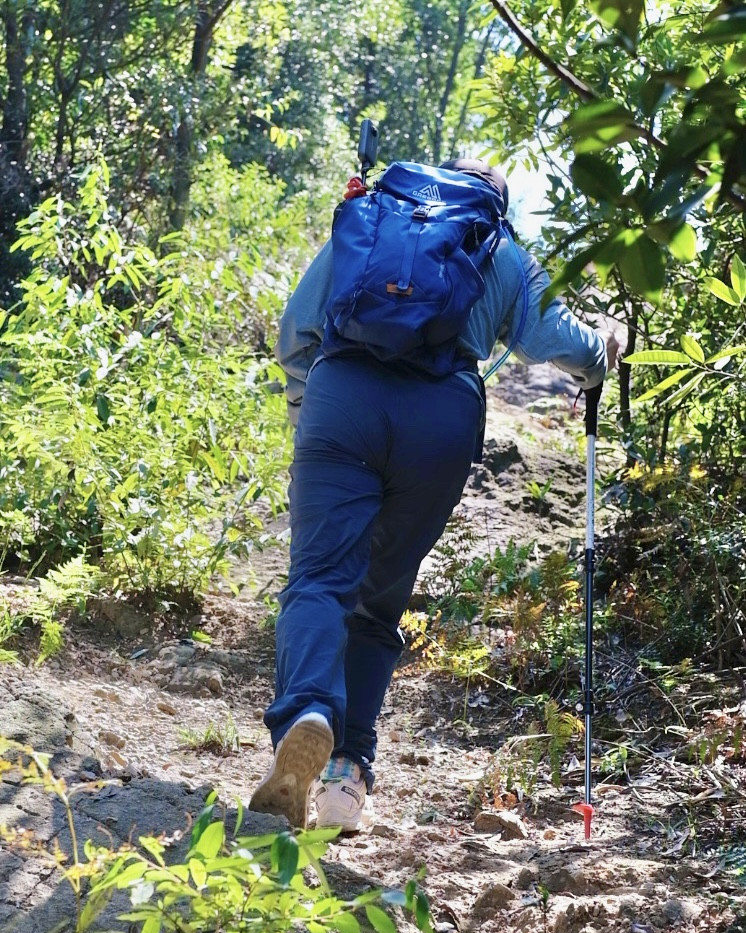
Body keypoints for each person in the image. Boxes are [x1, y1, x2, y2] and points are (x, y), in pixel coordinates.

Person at [249, 158, 619, 831]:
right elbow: (553, 339)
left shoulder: (375, 216)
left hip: (343, 397)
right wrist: (605, 346)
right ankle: (345, 779)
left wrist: (315, 407)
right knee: (380, 598)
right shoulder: (500, 248)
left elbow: (297, 328)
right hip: (440, 422)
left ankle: (307, 710)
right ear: (495, 206)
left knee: (317, 581)